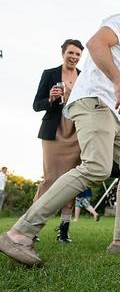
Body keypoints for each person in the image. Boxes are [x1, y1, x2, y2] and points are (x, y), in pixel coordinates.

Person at [0, 0, 120, 266]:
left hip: (116, 112)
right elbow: (95, 44)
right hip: (94, 102)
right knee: (96, 167)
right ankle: (20, 233)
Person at [32, 39, 84, 242]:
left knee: (73, 181)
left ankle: (63, 230)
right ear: (63, 53)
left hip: (77, 132)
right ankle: (33, 226)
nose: (74, 57)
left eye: (78, 54)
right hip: (54, 131)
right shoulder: (50, 74)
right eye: (71, 53)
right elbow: (36, 104)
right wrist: (51, 99)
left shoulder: (84, 76)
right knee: (49, 179)